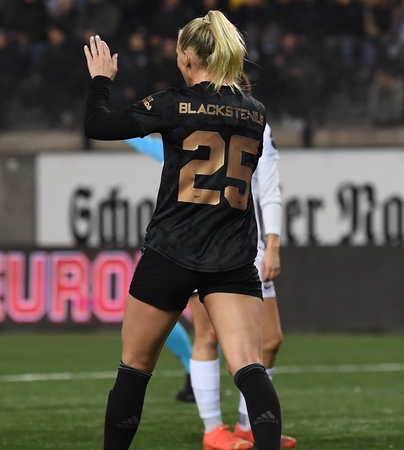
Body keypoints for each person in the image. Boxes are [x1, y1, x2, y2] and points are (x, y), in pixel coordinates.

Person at [83, 11, 283, 450]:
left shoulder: (174, 103)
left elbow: (96, 125)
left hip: (171, 253)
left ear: (189, 55)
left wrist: (101, 80)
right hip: (231, 258)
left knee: (134, 368)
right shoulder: (255, 113)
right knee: (250, 367)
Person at [126, 120, 297, 449]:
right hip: (199, 244)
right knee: (206, 335)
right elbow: (159, 150)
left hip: (246, 246)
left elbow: (270, 187)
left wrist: (272, 244)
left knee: (269, 340)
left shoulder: (256, 124)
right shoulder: (192, 117)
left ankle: (247, 425)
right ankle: (213, 429)